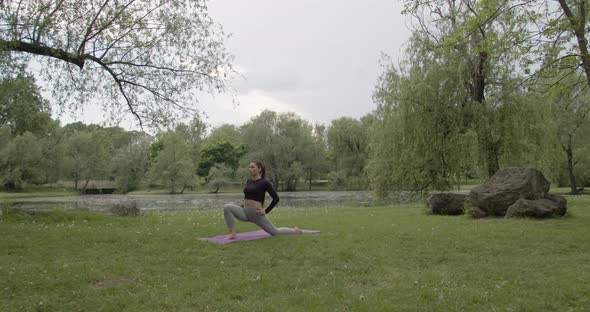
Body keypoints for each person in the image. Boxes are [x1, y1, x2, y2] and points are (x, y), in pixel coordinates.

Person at [223, 160, 302, 239]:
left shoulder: (264, 183)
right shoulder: (249, 181)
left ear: (259, 169)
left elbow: (276, 198)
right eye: (249, 167)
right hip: (245, 212)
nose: (250, 169)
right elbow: (248, 194)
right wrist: (243, 203)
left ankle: (295, 231)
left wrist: (265, 211)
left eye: (252, 167)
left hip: (257, 214)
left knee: (275, 232)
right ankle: (232, 233)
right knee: (227, 207)